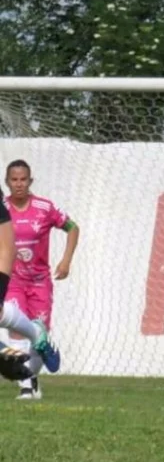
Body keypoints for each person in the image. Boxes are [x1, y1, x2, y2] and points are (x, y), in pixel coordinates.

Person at [3, 159, 72, 399]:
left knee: (39, 334)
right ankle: (24, 386)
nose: (19, 184)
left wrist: (66, 261)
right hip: (13, 280)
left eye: (23, 179)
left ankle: (31, 377)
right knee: (15, 329)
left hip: (40, 281)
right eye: (14, 180)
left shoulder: (44, 207)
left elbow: (72, 227)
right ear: (7, 182)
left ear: (30, 181)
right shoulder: (2, 208)